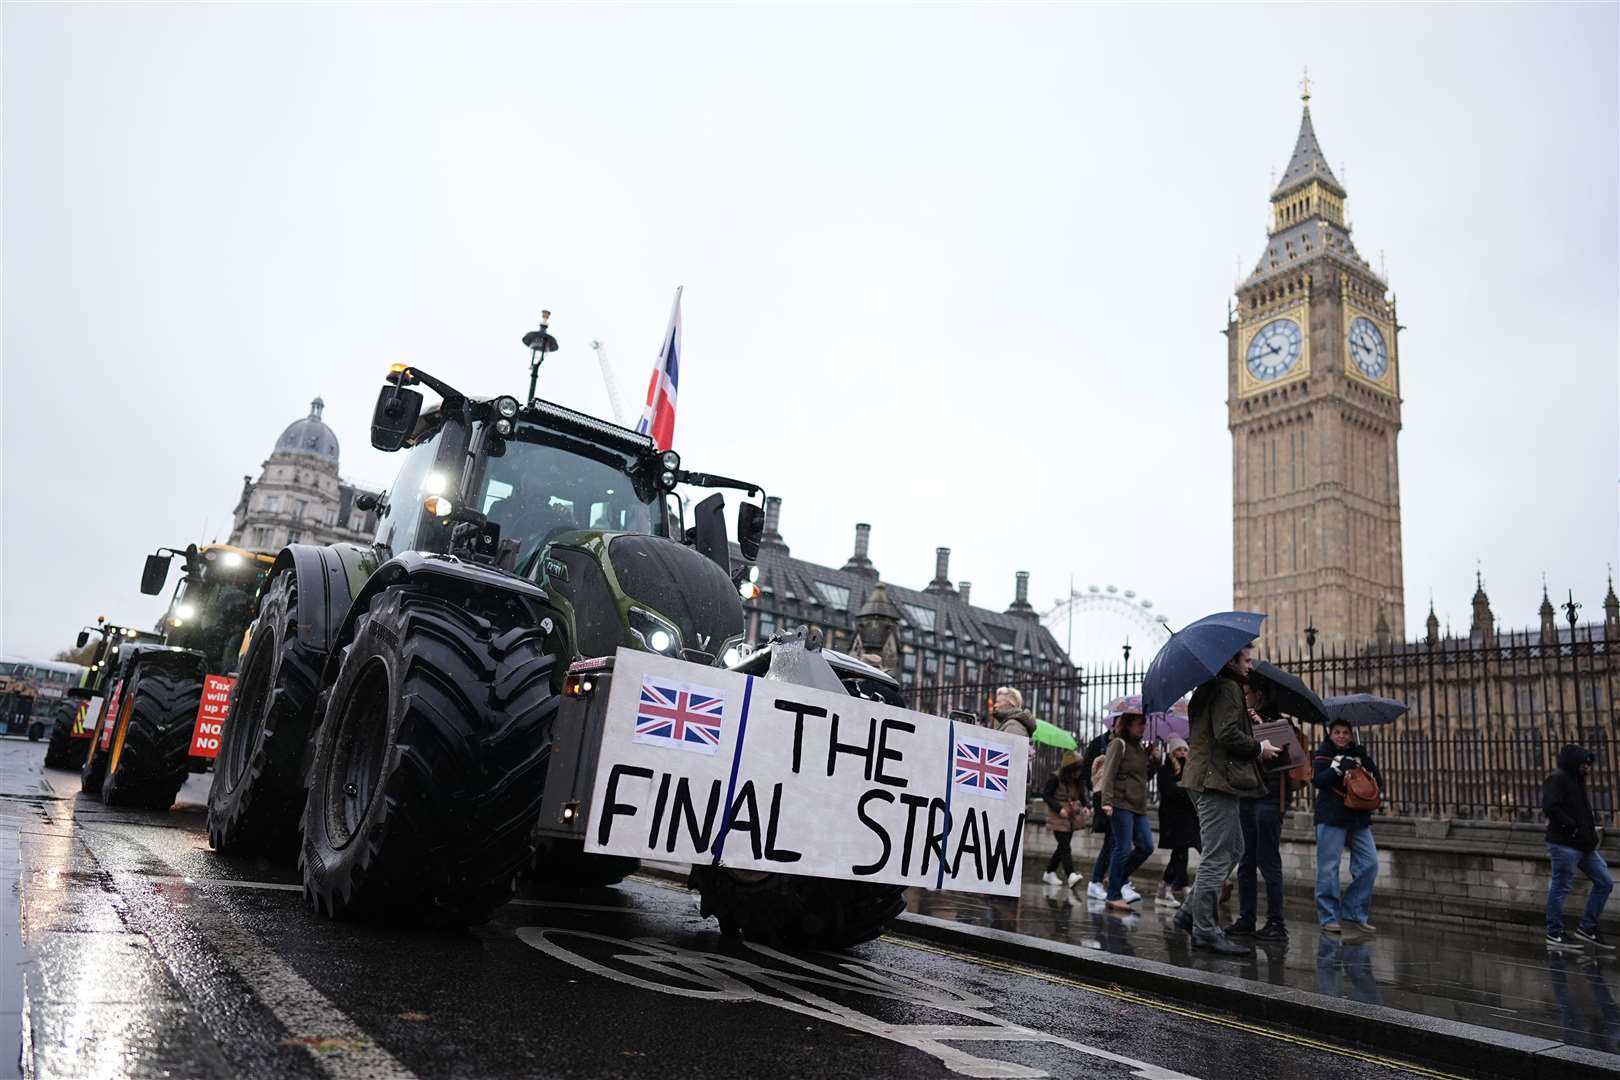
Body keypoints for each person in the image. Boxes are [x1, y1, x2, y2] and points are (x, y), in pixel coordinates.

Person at [1178, 645, 1279, 954]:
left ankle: (1188, 913)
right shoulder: (1227, 688)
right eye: (1246, 660)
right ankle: (1205, 930)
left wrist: (1245, 719)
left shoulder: (1209, 688)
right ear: (1230, 659)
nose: (1250, 666)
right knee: (1219, 853)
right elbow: (1226, 735)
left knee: (1234, 847)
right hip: (1214, 780)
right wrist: (1260, 748)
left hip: (1208, 778)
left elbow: (1218, 728)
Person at [1312, 717, 1383, 934]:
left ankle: (1353, 911)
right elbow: (1318, 781)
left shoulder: (1358, 754)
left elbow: (1377, 783)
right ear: (1330, 734)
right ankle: (1328, 916)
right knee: (1329, 868)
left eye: (1345, 732)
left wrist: (1366, 760)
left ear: (1351, 735)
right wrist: (1339, 768)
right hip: (1332, 816)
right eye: (1337, 732)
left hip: (1358, 817)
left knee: (1370, 863)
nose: (1341, 736)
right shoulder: (1323, 753)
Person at [1232, 684, 1290, 942]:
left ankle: (1276, 923)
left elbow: (1283, 760)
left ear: (1260, 695)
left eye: (1248, 693)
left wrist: (1262, 729)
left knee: (1268, 861)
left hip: (1268, 799)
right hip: (1247, 797)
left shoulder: (1278, 723)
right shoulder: (1243, 723)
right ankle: (1247, 919)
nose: (1245, 697)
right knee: (1246, 863)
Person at [1542, 744, 1614, 950]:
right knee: (1560, 888)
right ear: (1574, 763)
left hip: (1584, 846)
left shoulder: (1577, 781)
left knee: (1605, 881)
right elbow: (1550, 807)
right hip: (1564, 845)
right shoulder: (1557, 779)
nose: (1588, 768)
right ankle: (1554, 934)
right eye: (1585, 764)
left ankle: (1587, 928)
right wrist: (1572, 827)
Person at [1099, 710, 1158, 911]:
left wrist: (1154, 759)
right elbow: (1108, 773)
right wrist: (1106, 801)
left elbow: (1144, 777)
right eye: (1139, 723)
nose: (1143, 726)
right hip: (1121, 803)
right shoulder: (1118, 744)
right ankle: (1113, 895)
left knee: (1146, 846)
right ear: (1127, 724)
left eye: (1144, 723)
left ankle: (1117, 877)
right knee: (1123, 847)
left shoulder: (1140, 748)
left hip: (1138, 805)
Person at [1155, 736, 1200, 908]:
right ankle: (1173, 887)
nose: (1182, 753)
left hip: (1188, 817)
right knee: (1180, 851)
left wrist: (1184, 789)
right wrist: (1184, 790)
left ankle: (1172, 886)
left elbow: (1194, 791)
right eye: (1179, 750)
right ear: (1172, 751)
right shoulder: (1165, 769)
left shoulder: (1190, 769)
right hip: (1172, 818)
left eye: (1185, 750)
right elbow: (1170, 792)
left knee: (1182, 851)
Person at [1041, 751, 1088, 887]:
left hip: (1071, 814)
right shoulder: (1055, 777)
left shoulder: (1077, 780)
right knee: (1065, 845)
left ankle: (1050, 872)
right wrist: (1058, 808)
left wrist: (1086, 806)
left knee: (1063, 846)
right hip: (1057, 814)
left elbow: (1082, 795)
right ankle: (1071, 874)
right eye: (1076, 770)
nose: (1078, 773)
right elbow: (1046, 795)